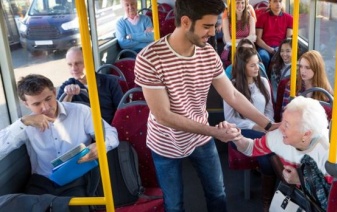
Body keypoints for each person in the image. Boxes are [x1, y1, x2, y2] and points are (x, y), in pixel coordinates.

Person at [133, 0, 278, 211]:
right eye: (207, 26)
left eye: (214, 25)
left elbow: (233, 95)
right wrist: (213, 132)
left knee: (218, 194)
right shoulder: (150, 58)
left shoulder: (208, 54)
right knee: (174, 205)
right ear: (185, 22)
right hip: (166, 141)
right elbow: (163, 115)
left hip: (200, 137)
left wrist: (268, 125)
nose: (213, 32)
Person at [0, 74, 119, 212]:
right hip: (41, 181)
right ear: (26, 104)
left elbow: (111, 134)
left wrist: (101, 145)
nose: (45, 108)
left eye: (48, 99)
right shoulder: (26, 124)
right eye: (36, 104)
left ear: (55, 92)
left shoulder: (80, 112)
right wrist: (23, 122)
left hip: (76, 178)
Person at [218, 96, 337, 211]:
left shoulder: (331, 156)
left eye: (286, 124)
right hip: (298, 197)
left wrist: (303, 180)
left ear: (306, 133)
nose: (280, 127)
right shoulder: (278, 136)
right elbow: (251, 148)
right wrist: (237, 138)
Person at [57, 47, 123, 124]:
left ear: (90, 62)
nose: (74, 68)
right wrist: (68, 96)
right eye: (70, 64)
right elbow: (59, 116)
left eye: (78, 63)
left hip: (107, 129)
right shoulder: (66, 88)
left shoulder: (110, 83)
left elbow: (121, 113)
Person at [224, 47, 274, 133]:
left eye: (257, 63)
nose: (257, 68)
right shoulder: (231, 86)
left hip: (263, 128)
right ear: (242, 67)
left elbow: (269, 110)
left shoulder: (263, 82)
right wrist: (253, 126)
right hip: (243, 130)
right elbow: (229, 118)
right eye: (252, 65)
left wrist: (267, 125)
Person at [256, 0, 293, 69]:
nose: (278, 4)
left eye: (280, 1)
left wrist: (280, 50)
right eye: (275, 1)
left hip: (281, 47)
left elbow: (288, 40)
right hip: (265, 47)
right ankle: (265, 77)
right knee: (264, 56)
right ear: (270, 2)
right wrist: (271, 50)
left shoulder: (289, 18)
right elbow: (258, 39)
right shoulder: (262, 17)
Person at [221, 0, 256, 67]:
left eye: (242, 3)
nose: (240, 5)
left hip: (248, 47)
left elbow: (253, 38)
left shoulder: (250, 18)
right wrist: (247, 39)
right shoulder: (226, 20)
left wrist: (235, 41)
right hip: (233, 48)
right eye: (237, 3)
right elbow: (227, 40)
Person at [269, 37, 299, 103]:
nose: (284, 54)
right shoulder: (275, 68)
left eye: (288, 51)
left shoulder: (300, 68)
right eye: (282, 51)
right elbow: (274, 89)